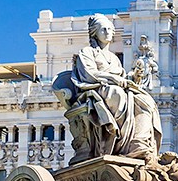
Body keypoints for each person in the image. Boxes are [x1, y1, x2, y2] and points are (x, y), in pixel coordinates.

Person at [53, 14, 164, 164]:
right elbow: (89, 74)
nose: (107, 32)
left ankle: (137, 142)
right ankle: (118, 142)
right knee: (117, 94)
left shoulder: (114, 58)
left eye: (109, 29)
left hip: (115, 89)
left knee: (145, 101)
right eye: (103, 29)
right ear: (95, 33)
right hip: (95, 90)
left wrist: (135, 77)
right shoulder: (87, 52)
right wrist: (113, 79)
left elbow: (124, 78)